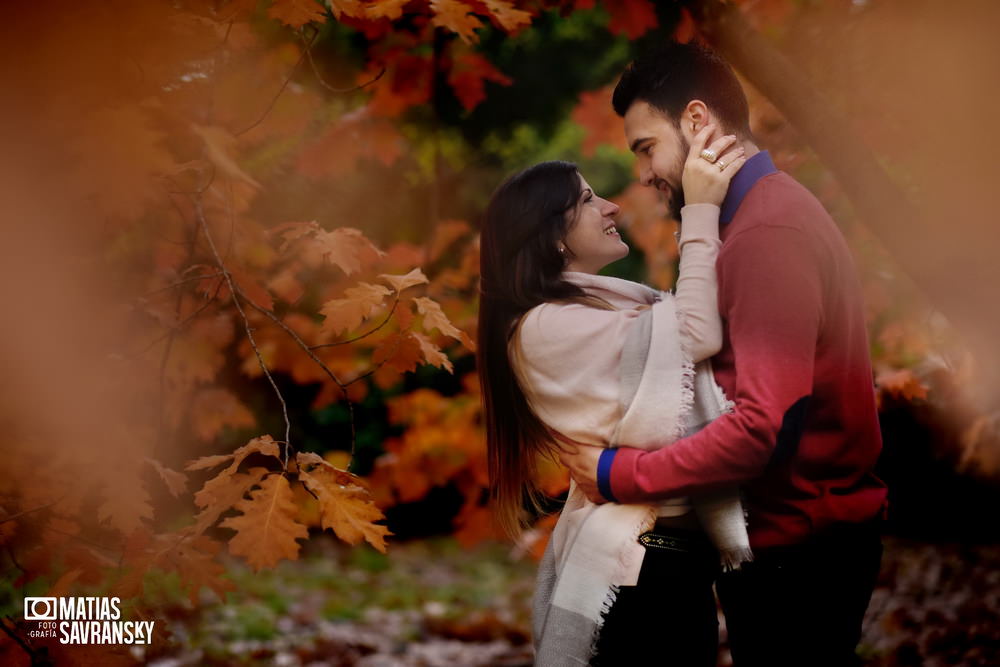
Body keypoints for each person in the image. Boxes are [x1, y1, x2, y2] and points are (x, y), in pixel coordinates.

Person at [557, 42, 887, 666]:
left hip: (802, 547)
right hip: (786, 538)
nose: (645, 172)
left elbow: (760, 425)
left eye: (646, 146)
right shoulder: (746, 221)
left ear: (698, 120)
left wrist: (615, 474)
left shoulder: (768, 234)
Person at [477, 127, 747, 666]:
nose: (610, 206)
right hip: (640, 581)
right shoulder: (541, 328)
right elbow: (696, 333)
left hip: (669, 567)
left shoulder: (610, 307)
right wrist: (699, 213)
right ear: (551, 234)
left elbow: (684, 334)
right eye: (585, 199)